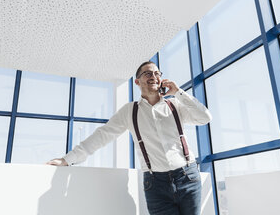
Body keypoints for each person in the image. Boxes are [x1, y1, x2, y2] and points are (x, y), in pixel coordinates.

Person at [47, 61, 212, 215]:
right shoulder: (129, 111)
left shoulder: (175, 106)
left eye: (157, 73)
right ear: (137, 81)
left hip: (188, 177)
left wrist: (178, 93)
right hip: (155, 183)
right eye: (147, 73)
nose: (153, 76)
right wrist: (68, 159)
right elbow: (103, 135)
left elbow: (205, 117)